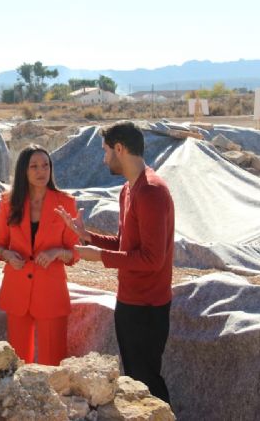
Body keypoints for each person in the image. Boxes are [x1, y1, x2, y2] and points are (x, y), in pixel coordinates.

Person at [56, 120, 175, 404]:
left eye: (105, 150)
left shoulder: (152, 191)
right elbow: (126, 245)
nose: (104, 158)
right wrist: (88, 237)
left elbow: (152, 260)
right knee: (135, 378)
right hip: (129, 301)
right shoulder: (128, 190)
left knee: (147, 382)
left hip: (148, 307)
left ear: (119, 149)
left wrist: (99, 257)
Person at [0, 144, 80, 366]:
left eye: (45, 165)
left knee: (53, 363)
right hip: (16, 291)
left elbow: (75, 253)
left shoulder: (66, 203)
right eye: (34, 166)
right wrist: (8, 255)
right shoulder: (7, 202)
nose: (41, 171)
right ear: (23, 170)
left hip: (51, 293)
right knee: (19, 364)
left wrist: (56, 252)